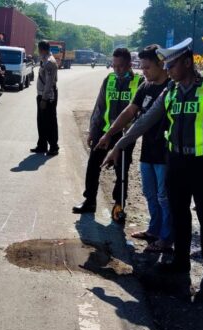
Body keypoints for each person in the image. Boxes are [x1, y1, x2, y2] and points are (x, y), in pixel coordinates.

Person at [102, 38, 203, 283]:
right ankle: (181, 261)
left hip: (202, 163)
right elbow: (144, 121)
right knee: (179, 214)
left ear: (187, 62)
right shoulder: (170, 91)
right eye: (167, 65)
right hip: (175, 162)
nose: (169, 69)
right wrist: (118, 145)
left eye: (172, 65)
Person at [96, 44, 172, 251]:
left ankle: (166, 239)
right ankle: (154, 230)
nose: (143, 72)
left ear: (161, 64)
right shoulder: (146, 86)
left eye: (147, 68)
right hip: (148, 150)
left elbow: (142, 121)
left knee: (164, 196)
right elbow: (130, 112)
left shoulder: (171, 88)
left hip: (166, 153)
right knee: (149, 192)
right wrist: (109, 134)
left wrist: (119, 143)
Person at [72, 48, 144, 224]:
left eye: (121, 66)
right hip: (104, 132)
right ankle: (89, 201)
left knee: (122, 171)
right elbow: (99, 107)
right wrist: (92, 130)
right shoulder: (109, 80)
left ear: (129, 64)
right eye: (114, 66)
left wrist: (131, 133)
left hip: (125, 135)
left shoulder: (140, 82)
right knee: (93, 165)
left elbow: (141, 113)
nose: (117, 69)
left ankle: (118, 206)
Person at [31, 41, 59, 156]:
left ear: (42, 49)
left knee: (50, 122)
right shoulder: (44, 60)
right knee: (41, 121)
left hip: (47, 97)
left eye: (38, 49)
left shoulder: (49, 62)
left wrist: (44, 99)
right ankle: (42, 145)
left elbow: (49, 83)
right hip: (42, 95)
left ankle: (53, 147)